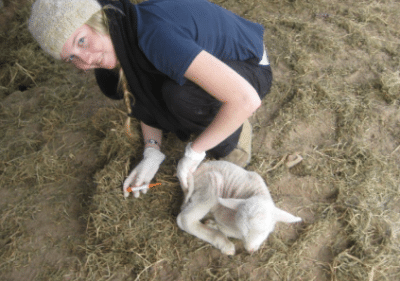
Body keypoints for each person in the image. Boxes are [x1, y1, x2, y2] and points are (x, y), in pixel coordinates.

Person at [28, 0, 273, 197]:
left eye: (81, 40)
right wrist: (151, 151)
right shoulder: (120, 36)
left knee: (181, 96)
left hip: (248, 65)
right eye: (71, 58)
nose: (86, 62)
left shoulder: (154, 35)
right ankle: (212, 117)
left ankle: (237, 135)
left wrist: (195, 152)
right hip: (212, 67)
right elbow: (143, 95)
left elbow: (245, 99)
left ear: (98, 18)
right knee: (164, 88)